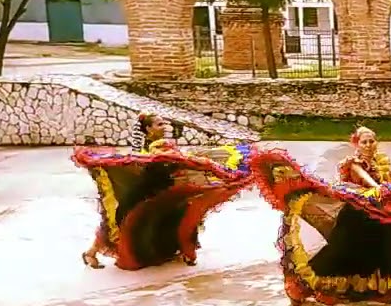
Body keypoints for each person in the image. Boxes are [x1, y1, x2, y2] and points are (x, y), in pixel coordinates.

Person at [249, 125, 391, 305]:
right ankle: (305, 286)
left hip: (380, 214)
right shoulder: (352, 163)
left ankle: (381, 289)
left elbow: (386, 183)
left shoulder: (382, 161)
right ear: (356, 144)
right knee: (344, 252)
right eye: (364, 141)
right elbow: (369, 184)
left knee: (390, 249)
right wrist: (380, 189)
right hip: (357, 214)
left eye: (372, 140)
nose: (369, 145)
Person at [74, 112, 256, 270]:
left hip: (161, 190)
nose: (165, 126)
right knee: (119, 221)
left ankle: (185, 253)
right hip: (148, 193)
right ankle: (187, 254)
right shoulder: (154, 148)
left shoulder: (154, 147)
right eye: (160, 124)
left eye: (164, 122)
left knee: (176, 215)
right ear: (149, 130)